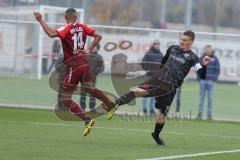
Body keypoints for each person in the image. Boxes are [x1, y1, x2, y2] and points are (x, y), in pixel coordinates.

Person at [108, 30, 211, 145]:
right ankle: (114, 104)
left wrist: (205, 65)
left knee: (161, 117)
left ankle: (156, 135)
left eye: (185, 40)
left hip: (170, 89)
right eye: (181, 39)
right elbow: (163, 61)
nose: (182, 42)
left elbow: (202, 75)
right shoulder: (172, 48)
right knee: (138, 92)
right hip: (157, 80)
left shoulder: (193, 58)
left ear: (191, 42)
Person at [34, 8, 114, 137]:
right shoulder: (82, 27)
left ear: (66, 17)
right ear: (76, 17)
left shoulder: (65, 28)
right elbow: (99, 36)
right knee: (89, 87)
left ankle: (87, 120)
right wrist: (90, 49)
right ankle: (110, 104)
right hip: (85, 63)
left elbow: (50, 33)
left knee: (65, 98)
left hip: (74, 66)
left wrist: (40, 20)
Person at [196, 44, 220, 120]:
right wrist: (199, 78)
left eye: (209, 49)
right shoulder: (201, 58)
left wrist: (214, 79)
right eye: (207, 49)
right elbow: (197, 68)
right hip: (202, 81)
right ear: (205, 50)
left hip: (211, 81)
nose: (208, 51)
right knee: (201, 98)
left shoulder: (215, 58)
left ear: (211, 50)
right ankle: (199, 114)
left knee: (210, 98)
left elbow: (218, 69)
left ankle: (209, 115)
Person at [80, 44, 104, 111]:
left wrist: (94, 73)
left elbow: (102, 67)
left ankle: (92, 108)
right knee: (83, 93)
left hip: (92, 79)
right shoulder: (85, 55)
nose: (93, 48)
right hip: (83, 78)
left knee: (92, 93)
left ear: (97, 48)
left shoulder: (99, 57)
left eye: (95, 47)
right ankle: (82, 108)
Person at [141, 40, 163, 115]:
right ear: (153, 45)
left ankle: (151, 110)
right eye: (156, 44)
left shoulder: (160, 54)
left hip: (156, 77)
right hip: (148, 76)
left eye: (158, 44)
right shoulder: (148, 53)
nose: (157, 46)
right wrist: (148, 70)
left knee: (154, 94)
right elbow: (143, 63)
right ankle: (144, 109)